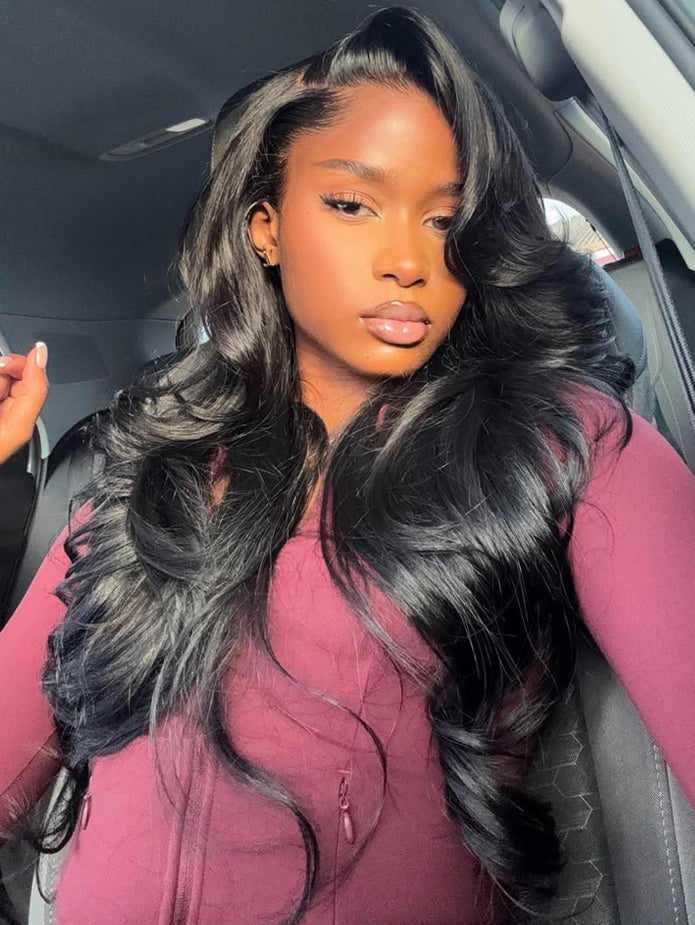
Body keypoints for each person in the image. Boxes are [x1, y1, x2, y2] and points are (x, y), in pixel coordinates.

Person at [0, 7, 694, 924]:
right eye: (351, 204)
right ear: (266, 229)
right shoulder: (145, 480)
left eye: (443, 217)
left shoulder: (565, 441)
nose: (408, 260)